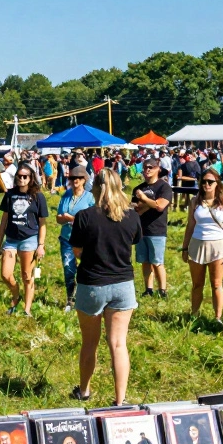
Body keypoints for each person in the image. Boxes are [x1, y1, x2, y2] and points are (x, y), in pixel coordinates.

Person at [68, 169, 141, 404]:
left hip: (92, 283)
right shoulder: (132, 216)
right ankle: (120, 400)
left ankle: (85, 390)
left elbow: (77, 251)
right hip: (123, 284)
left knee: (90, 342)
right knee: (119, 344)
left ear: (95, 187)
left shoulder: (84, 216)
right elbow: (133, 242)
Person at [182, 168, 223, 324]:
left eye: (210, 182)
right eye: (204, 181)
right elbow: (190, 226)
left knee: (216, 283)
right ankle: (194, 316)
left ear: (217, 183)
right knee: (197, 284)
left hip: (218, 246)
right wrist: (185, 248)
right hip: (197, 245)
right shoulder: (195, 201)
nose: (207, 184)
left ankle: (217, 317)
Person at [0, 162, 49, 316]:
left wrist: (41, 245)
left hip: (29, 239)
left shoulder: (38, 197)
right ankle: (16, 294)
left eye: (25, 176)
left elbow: (43, 223)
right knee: (6, 274)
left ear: (30, 178)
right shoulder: (10, 194)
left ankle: (27, 309)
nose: (21, 179)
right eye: (19, 176)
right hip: (11, 239)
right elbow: (4, 219)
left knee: (27, 276)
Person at [56, 166, 94, 312]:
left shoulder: (90, 198)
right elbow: (58, 218)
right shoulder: (66, 195)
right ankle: (70, 299)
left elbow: (92, 220)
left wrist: (71, 218)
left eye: (78, 178)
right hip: (67, 238)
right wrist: (63, 218)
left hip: (86, 239)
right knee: (68, 268)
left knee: (87, 268)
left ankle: (87, 297)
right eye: (72, 178)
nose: (75, 180)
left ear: (84, 180)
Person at [133, 161, 174, 298]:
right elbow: (135, 208)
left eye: (151, 167)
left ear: (158, 169)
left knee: (157, 262)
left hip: (157, 230)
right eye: (145, 167)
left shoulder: (164, 187)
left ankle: (162, 290)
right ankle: (148, 289)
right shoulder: (138, 188)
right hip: (141, 229)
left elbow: (160, 206)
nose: (147, 170)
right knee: (145, 261)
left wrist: (144, 199)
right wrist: (151, 204)